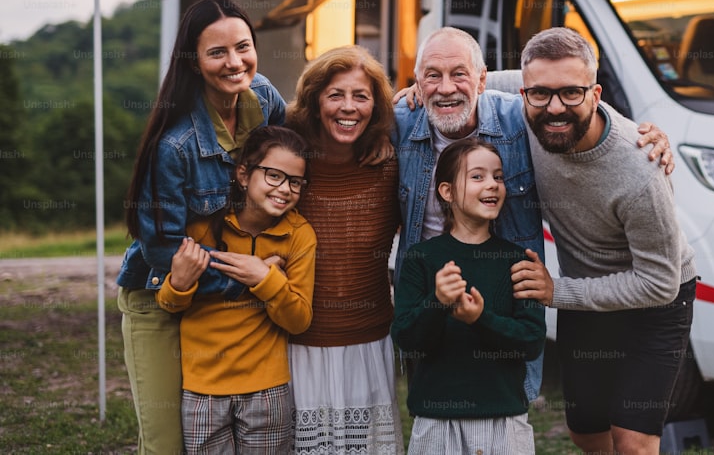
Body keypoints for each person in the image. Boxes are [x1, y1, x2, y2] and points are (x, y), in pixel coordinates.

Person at [393, 27, 674, 401]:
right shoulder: (398, 121)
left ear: (481, 79)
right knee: (435, 410)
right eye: (432, 75)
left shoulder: (520, 119)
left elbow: (570, 94)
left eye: (459, 74)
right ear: (417, 80)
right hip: (432, 296)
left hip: (505, 303)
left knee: (505, 414)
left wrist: (639, 133)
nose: (446, 88)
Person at [511, 27, 697, 455]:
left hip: (658, 300)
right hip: (590, 292)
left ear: (595, 95)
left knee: (631, 443)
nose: (555, 107)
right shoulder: (528, 98)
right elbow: (468, 81)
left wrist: (559, 291)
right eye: (540, 94)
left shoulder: (640, 171)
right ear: (524, 93)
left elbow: (658, 284)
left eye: (571, 94)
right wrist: (412, 92)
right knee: (587, 434)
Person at [117, 0, 285, 454]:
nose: (235, 62)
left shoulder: (265, 99)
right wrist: (253, 275)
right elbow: (163, 249)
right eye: (217, 52)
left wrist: (398, 106)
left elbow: (302, 153)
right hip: (159, 294)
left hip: (223, 297)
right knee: (168, 443)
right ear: (193, 62)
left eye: (243, 46)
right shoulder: (175, 145)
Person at [155, 125, 317, 454]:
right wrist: (180, 285)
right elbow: (169, 305)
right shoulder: (202, 226)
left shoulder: (299, 235)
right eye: (273, 175)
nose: (284, 189)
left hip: (267, 388)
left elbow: (299, 319)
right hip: (202, 387)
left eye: (295, 182)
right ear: (243, 174)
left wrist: (264, 278)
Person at [284, 45, 404, 454]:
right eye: (335, 95)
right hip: (298, 345)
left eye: (361, 96)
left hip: (368, 344)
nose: (348, 107)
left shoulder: (390, 165)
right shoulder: (290, 164)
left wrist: (418, 90)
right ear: (315, 100)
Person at [392, 138, 546, 455]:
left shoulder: (519, 261)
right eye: (478, 176)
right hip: (437, 421)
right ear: (447, 192)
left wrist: (481, 320)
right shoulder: (421, 258)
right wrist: (437, 302)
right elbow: (407, 341)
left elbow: (531, 342)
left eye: (498, 176)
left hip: (504, 421)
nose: (492, 185)